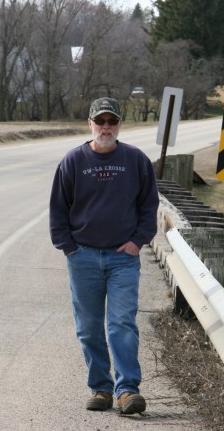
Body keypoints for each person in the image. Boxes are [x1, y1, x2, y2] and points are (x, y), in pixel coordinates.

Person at [49, 97, 159, 415]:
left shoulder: (136, 161)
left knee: (121, 323)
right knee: (88, 326)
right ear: (90, 124)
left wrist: (139, 241)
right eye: (101, 121)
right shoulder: (72, 162)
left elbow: (149, 205)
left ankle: (127, 391)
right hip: (82, 256)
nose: (106, 127)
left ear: (120, 124)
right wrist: (69, 247)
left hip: (123, 257)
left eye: (112, 121)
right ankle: (100, 388)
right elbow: (58, 209)